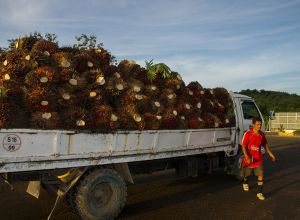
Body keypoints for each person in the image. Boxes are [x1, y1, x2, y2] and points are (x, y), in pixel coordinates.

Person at [241, 117, 276, 200]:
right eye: (257, 124)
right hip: (249, 158)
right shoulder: (248, 134)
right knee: (245, 174)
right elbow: (243, 146)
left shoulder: (262, 135)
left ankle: (259, 193)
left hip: (258, 159)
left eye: (260, 124)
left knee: (260, 175)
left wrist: (271, 154)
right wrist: (246, 156)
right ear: (253, 124)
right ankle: (245, 182)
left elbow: (265, 145)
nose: (259, 126)